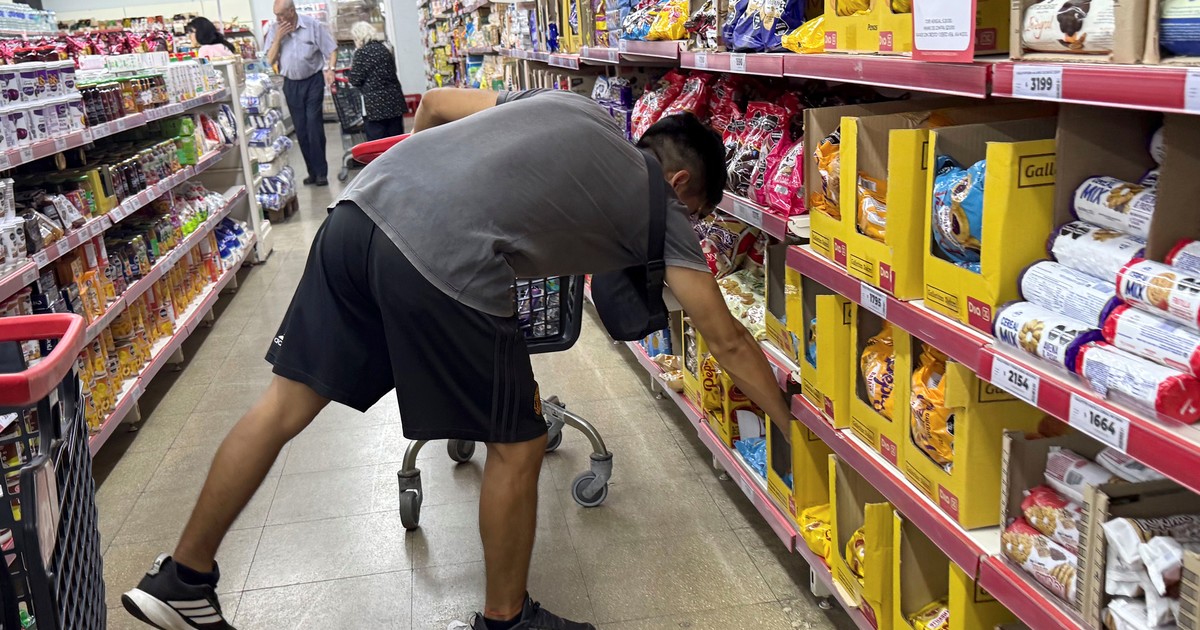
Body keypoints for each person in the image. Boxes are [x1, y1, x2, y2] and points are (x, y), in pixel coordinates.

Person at [120, 88, 792, 630]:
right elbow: (727, 340)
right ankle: (506, 619)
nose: (686, 226)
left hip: (358, 212)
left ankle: (184, 576)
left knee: (284, 403)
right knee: (519, 444)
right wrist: (793, 424)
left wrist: (420, 188)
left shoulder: (574, 107)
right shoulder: (661, 209)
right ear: (678, 182)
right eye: (694, 211)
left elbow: (438, 104)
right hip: (447, 257)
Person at [264, 0, 337, 186]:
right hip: (291, 84)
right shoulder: (274, 29)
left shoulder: (312, 25)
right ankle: (312, 172)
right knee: (301, 129)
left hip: (313, 81)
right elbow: (269, 60)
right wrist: (278, 38)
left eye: (281, 15)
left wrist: (331, 69)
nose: (278, 19)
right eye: (276, 15)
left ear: (291, 11)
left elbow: (331, 50)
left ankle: (321, 172)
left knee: (313, 125)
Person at [347, 21, 408, 140]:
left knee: (377, 143)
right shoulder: (385, 49)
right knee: (396, 140)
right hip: (394, 101)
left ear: (359, 37)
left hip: (374, 106)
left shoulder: (362, 53)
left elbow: (355, 79)